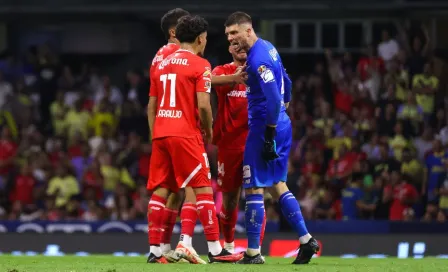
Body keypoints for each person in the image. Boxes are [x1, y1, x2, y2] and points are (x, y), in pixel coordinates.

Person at [147, 8, 247, 264]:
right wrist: (209, 130)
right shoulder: (200, 64)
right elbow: (203, 105)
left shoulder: (161, 61)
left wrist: (153, 132)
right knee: (203, 187)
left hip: (161, 131)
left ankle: (156, 251)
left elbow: (153, 102)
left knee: (163, 188)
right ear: (201, 39)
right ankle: (216, 249)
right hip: (184, 132)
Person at [224, 12, 319, 265]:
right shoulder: (269, 47)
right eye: (227, 35)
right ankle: (306, 239)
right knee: (278, 184)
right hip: (281, 124)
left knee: (253, 185)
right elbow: (286, 80)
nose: (231, 39)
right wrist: (282, 111)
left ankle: (253, 253)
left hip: (265, 127)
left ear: (248, 30)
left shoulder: (258, 59)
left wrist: (268, 134)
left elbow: (274, 99)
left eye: (234, 33)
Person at [212, 45, 267, 253]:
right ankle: (228, 245)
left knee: (256, 194)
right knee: (229, 199)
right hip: (228, 145)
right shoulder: (222, 70)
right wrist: (234, 78)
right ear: (229, 49)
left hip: (254, 142)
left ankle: (256, 249)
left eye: (243, 44)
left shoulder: (260, 70)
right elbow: (206, 81)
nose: (240, 48)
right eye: (234, 44)